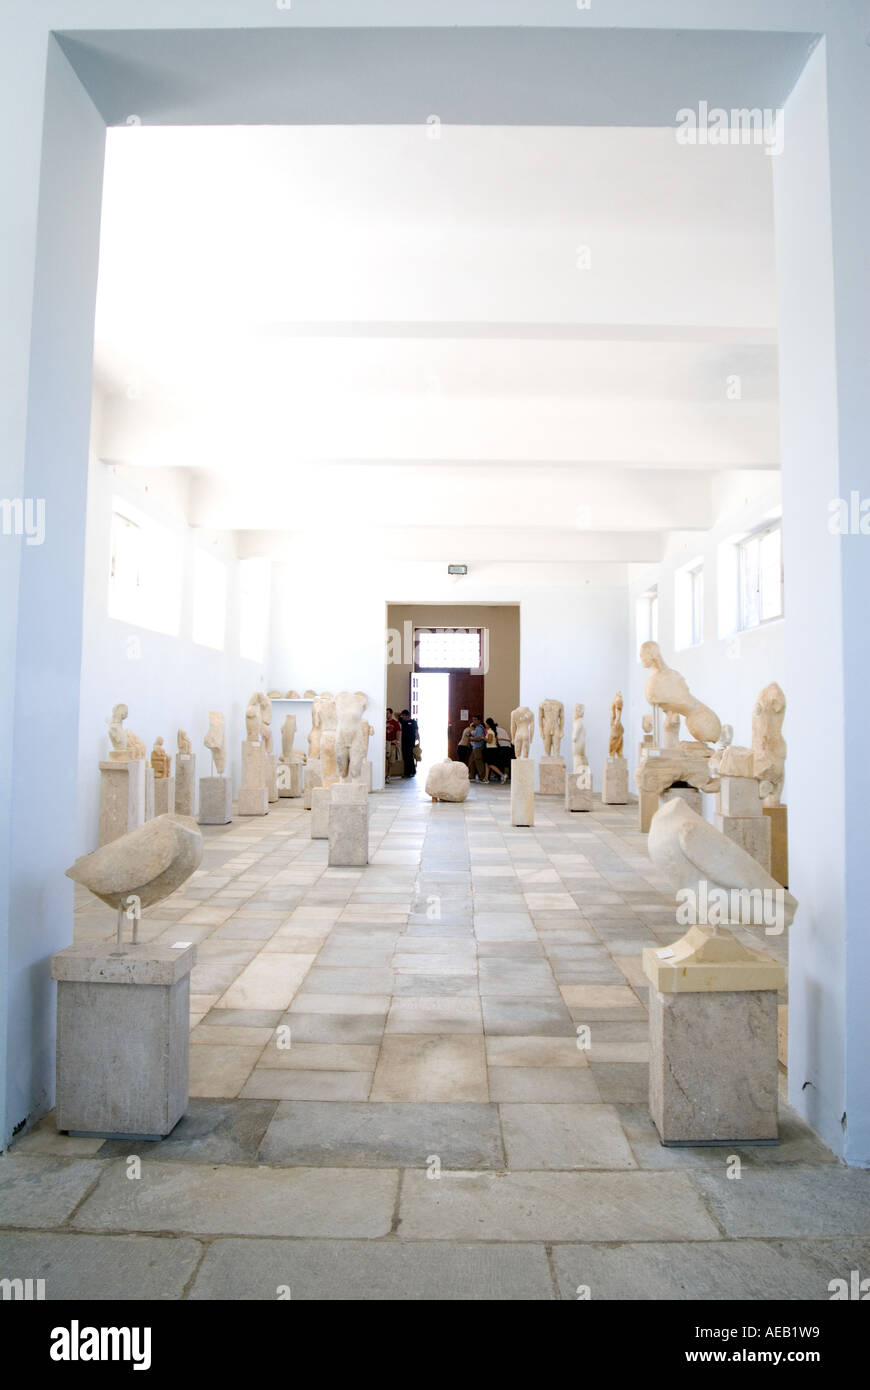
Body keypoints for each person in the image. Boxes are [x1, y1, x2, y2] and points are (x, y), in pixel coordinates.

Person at [399, 708, 420, 778]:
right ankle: (406, 773)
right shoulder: (402, 721)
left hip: (411, 742)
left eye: (404, 715)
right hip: (404, 742)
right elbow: (396, 714)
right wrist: (401, 715)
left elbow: (417, 732)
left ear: (407, 716)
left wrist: (418, 741)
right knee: (405, 757)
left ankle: (412, 772)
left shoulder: (413, 722)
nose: (402, 717)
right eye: (402, 716)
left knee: (410, 757)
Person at [467, 715, 487, 783]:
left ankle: (482, 777)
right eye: (473, 719)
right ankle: (471, 776)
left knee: (479, 762)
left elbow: (479, 738)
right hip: (475, 747)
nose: (474, 721)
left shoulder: (479, 728)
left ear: (479, 721)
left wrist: (471, 739)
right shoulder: (477, 728)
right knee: (471, 761)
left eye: (475, 720)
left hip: (478, 747)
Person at [484, 718, 505, 782]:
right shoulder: (493, 731)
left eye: (486, 723)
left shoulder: (490, 731)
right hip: (492, 749)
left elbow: (489, 741)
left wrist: (483, 738)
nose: (485, 725)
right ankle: (486, 778)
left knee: (490, 764)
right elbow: (496, 740)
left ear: (488, 724)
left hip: (490, 749)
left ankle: (503, 775)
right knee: (487, 764)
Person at [385, 708, 402, 779]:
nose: (386, 714)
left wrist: (397, 742)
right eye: (385, 713)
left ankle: (388, 775)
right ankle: (384, 774)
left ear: (391, 714)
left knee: (391, 761)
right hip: (384, 744)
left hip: (392, 744)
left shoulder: (395, 723)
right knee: (384, 760)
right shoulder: (383, 722)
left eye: (388, 713)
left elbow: (398, 732)